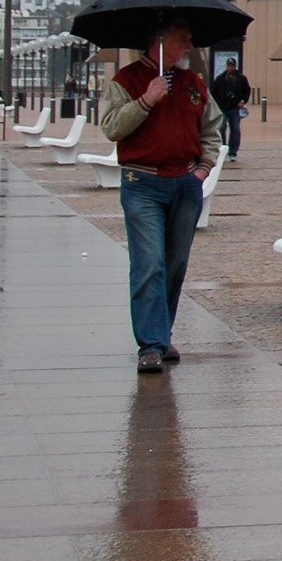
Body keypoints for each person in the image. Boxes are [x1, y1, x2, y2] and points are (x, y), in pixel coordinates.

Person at [100, 19, 222, 374]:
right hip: (143, 183)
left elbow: (211, 127)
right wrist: (146, 100)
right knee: (149, 263)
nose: (189, 46)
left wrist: (203, 167)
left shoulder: (193, 83)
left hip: (184, 183)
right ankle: (150, 345)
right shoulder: (126, 81)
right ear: (160, 40)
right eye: (183, 39)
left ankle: (161, 332)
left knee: (174, 265)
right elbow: (111, 127)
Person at [211, 55, 251, 161]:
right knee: (221, 128)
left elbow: (247, 91)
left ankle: (233, 152)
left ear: (235, 66)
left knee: (235, 130)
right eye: (229, 66)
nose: (230, 68)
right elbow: (213, 93)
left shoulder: (241, 79)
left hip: (234, 108)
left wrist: (242, 101)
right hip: (223, 108)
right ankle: (223, 150)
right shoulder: (220, 79)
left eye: (232, 66)